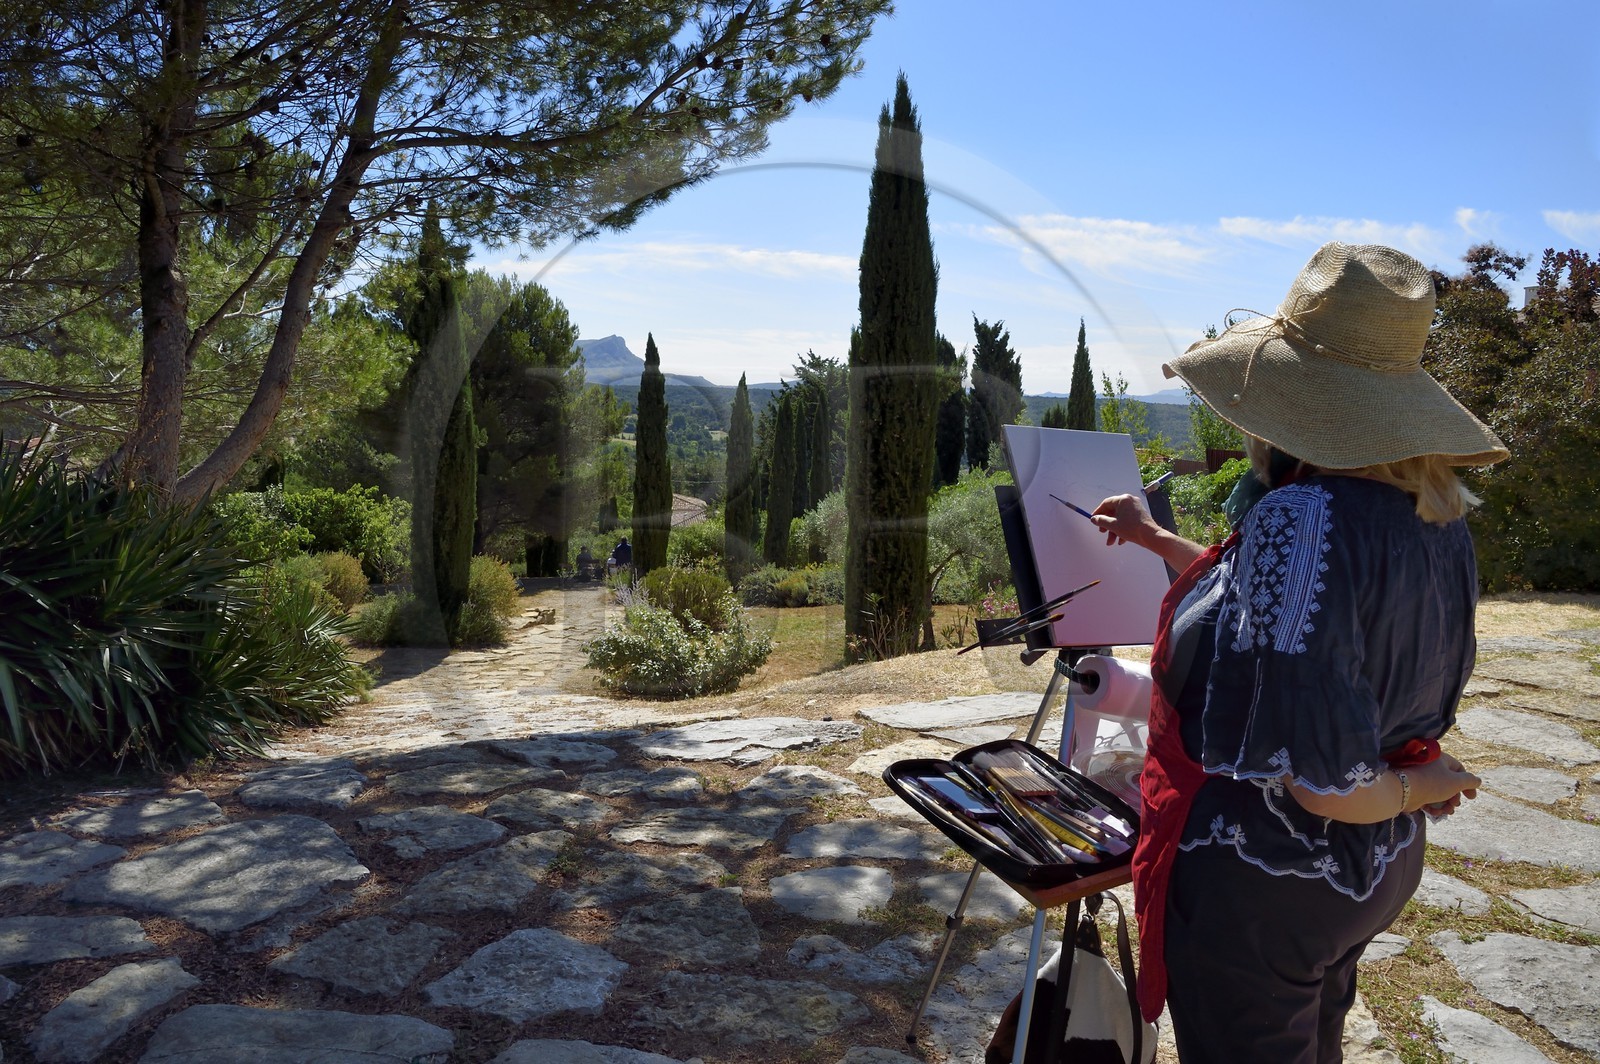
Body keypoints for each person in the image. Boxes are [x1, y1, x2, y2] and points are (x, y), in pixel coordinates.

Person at [1090, 243, 1505, 1063]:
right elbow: (1289, 617)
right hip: (1367, 871)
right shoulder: (1438, 516)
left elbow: (1326, 786)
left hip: (1264, 878)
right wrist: (1154, 540)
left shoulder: (1300, 516)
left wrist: (1420, 783)